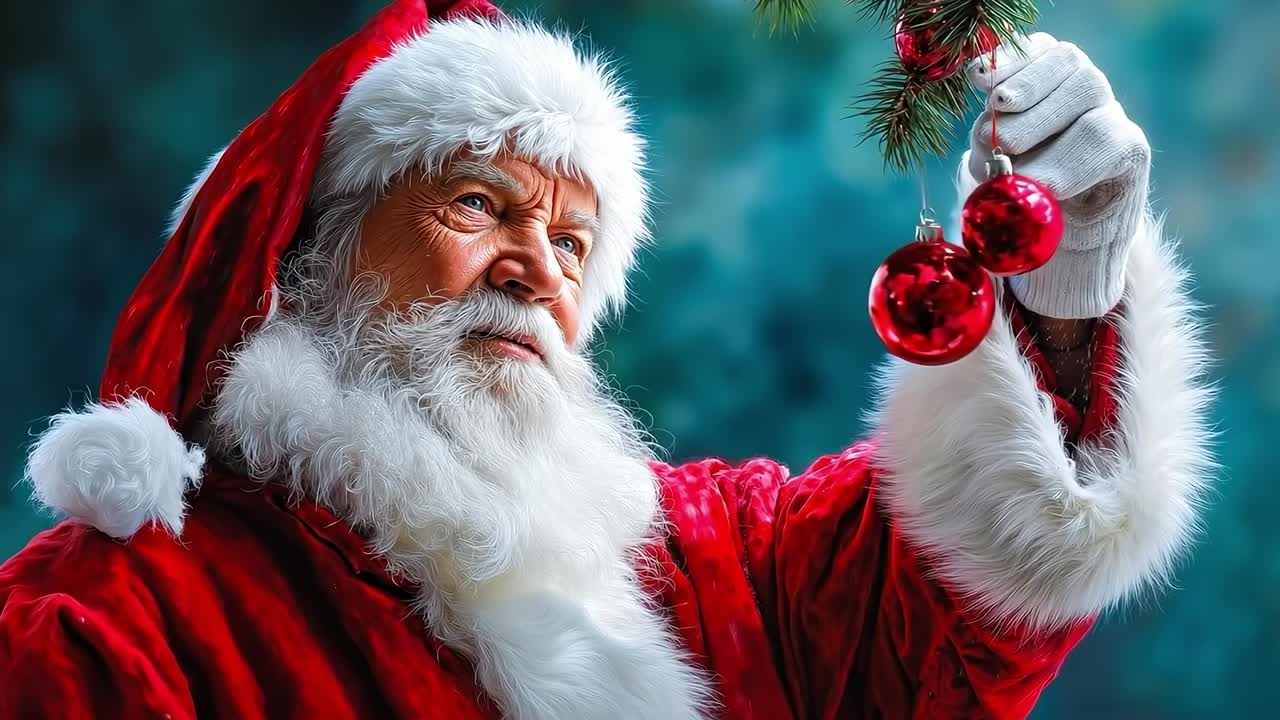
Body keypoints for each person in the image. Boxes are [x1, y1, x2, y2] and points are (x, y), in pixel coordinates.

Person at [0, 1, 1213, 719]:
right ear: (304, 252)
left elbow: (927, 614)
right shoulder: (107, 624)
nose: (540, 270)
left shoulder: (686, 572)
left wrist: (1061, 305)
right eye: (480, 202)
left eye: (574, 241)